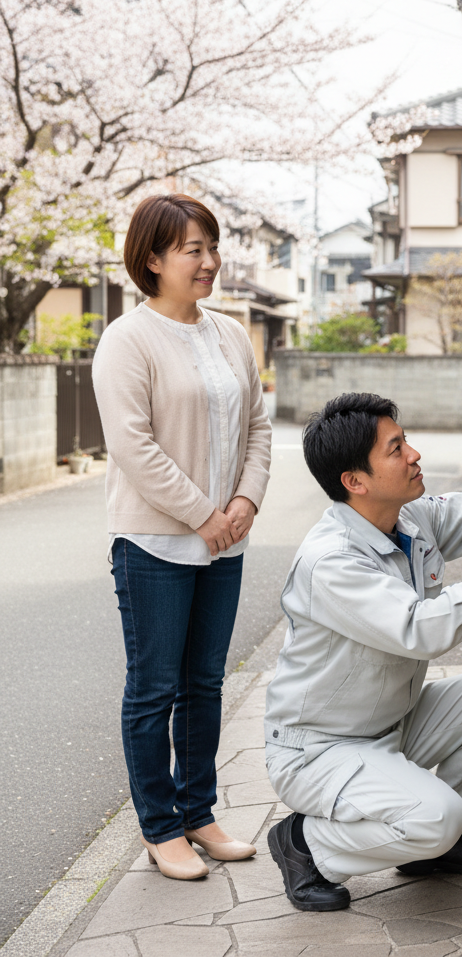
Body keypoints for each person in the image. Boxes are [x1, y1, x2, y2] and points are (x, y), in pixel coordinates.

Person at [264, 390, 462, 912]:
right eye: (396, 448)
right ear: (355, 482)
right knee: (435, 817)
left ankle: (433, 853)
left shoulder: (408, 520)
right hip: (320, 751)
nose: (414, 455)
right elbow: (420, 628)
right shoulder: (331, 562)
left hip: (388, 725)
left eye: (405, 442)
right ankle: (305, 842)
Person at [93, 194, 272, 880]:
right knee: (154, 687)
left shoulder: (230, 333)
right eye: (193, 249)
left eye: (212, 246)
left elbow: (258, 425)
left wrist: (246, 500)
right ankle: (160, 828)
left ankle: (199, 811)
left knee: (203, 683)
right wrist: (204, 513)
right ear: (153, 259)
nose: (209, 261)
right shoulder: (127, 339)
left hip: (223, 540)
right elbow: (132, 447)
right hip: (153, 545)